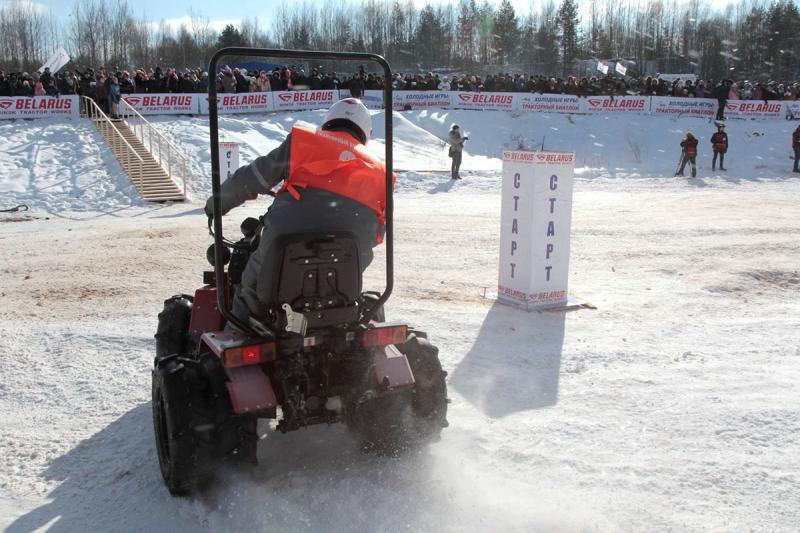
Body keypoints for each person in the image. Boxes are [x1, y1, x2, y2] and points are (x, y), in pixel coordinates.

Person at [205, 98, 391, 325]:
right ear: (365, 132)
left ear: (328, 122)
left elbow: (254, 177)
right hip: (344, 262)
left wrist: (217, 203)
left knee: (251, 285)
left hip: (285, 244)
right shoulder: (381, 172)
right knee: (345, 274)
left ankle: (239, 332)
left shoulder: (304, 142)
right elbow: (379, 231)